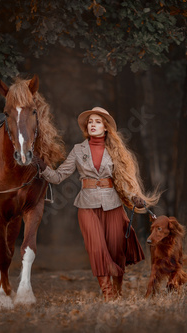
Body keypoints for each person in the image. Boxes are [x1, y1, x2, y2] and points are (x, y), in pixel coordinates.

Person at [34, 107, 160, 301]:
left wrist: (134, 196)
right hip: (87, 206)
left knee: (116, 250)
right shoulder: (78, 150)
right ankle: (108, 295)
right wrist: (43, 167)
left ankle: (118, 293)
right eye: (90, 121)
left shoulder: (116, 151)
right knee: (96, 249)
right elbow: (58, 177)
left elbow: (121, 181)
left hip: (113, 205)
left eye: (98, 122)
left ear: (106, 127)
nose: (93, 125)